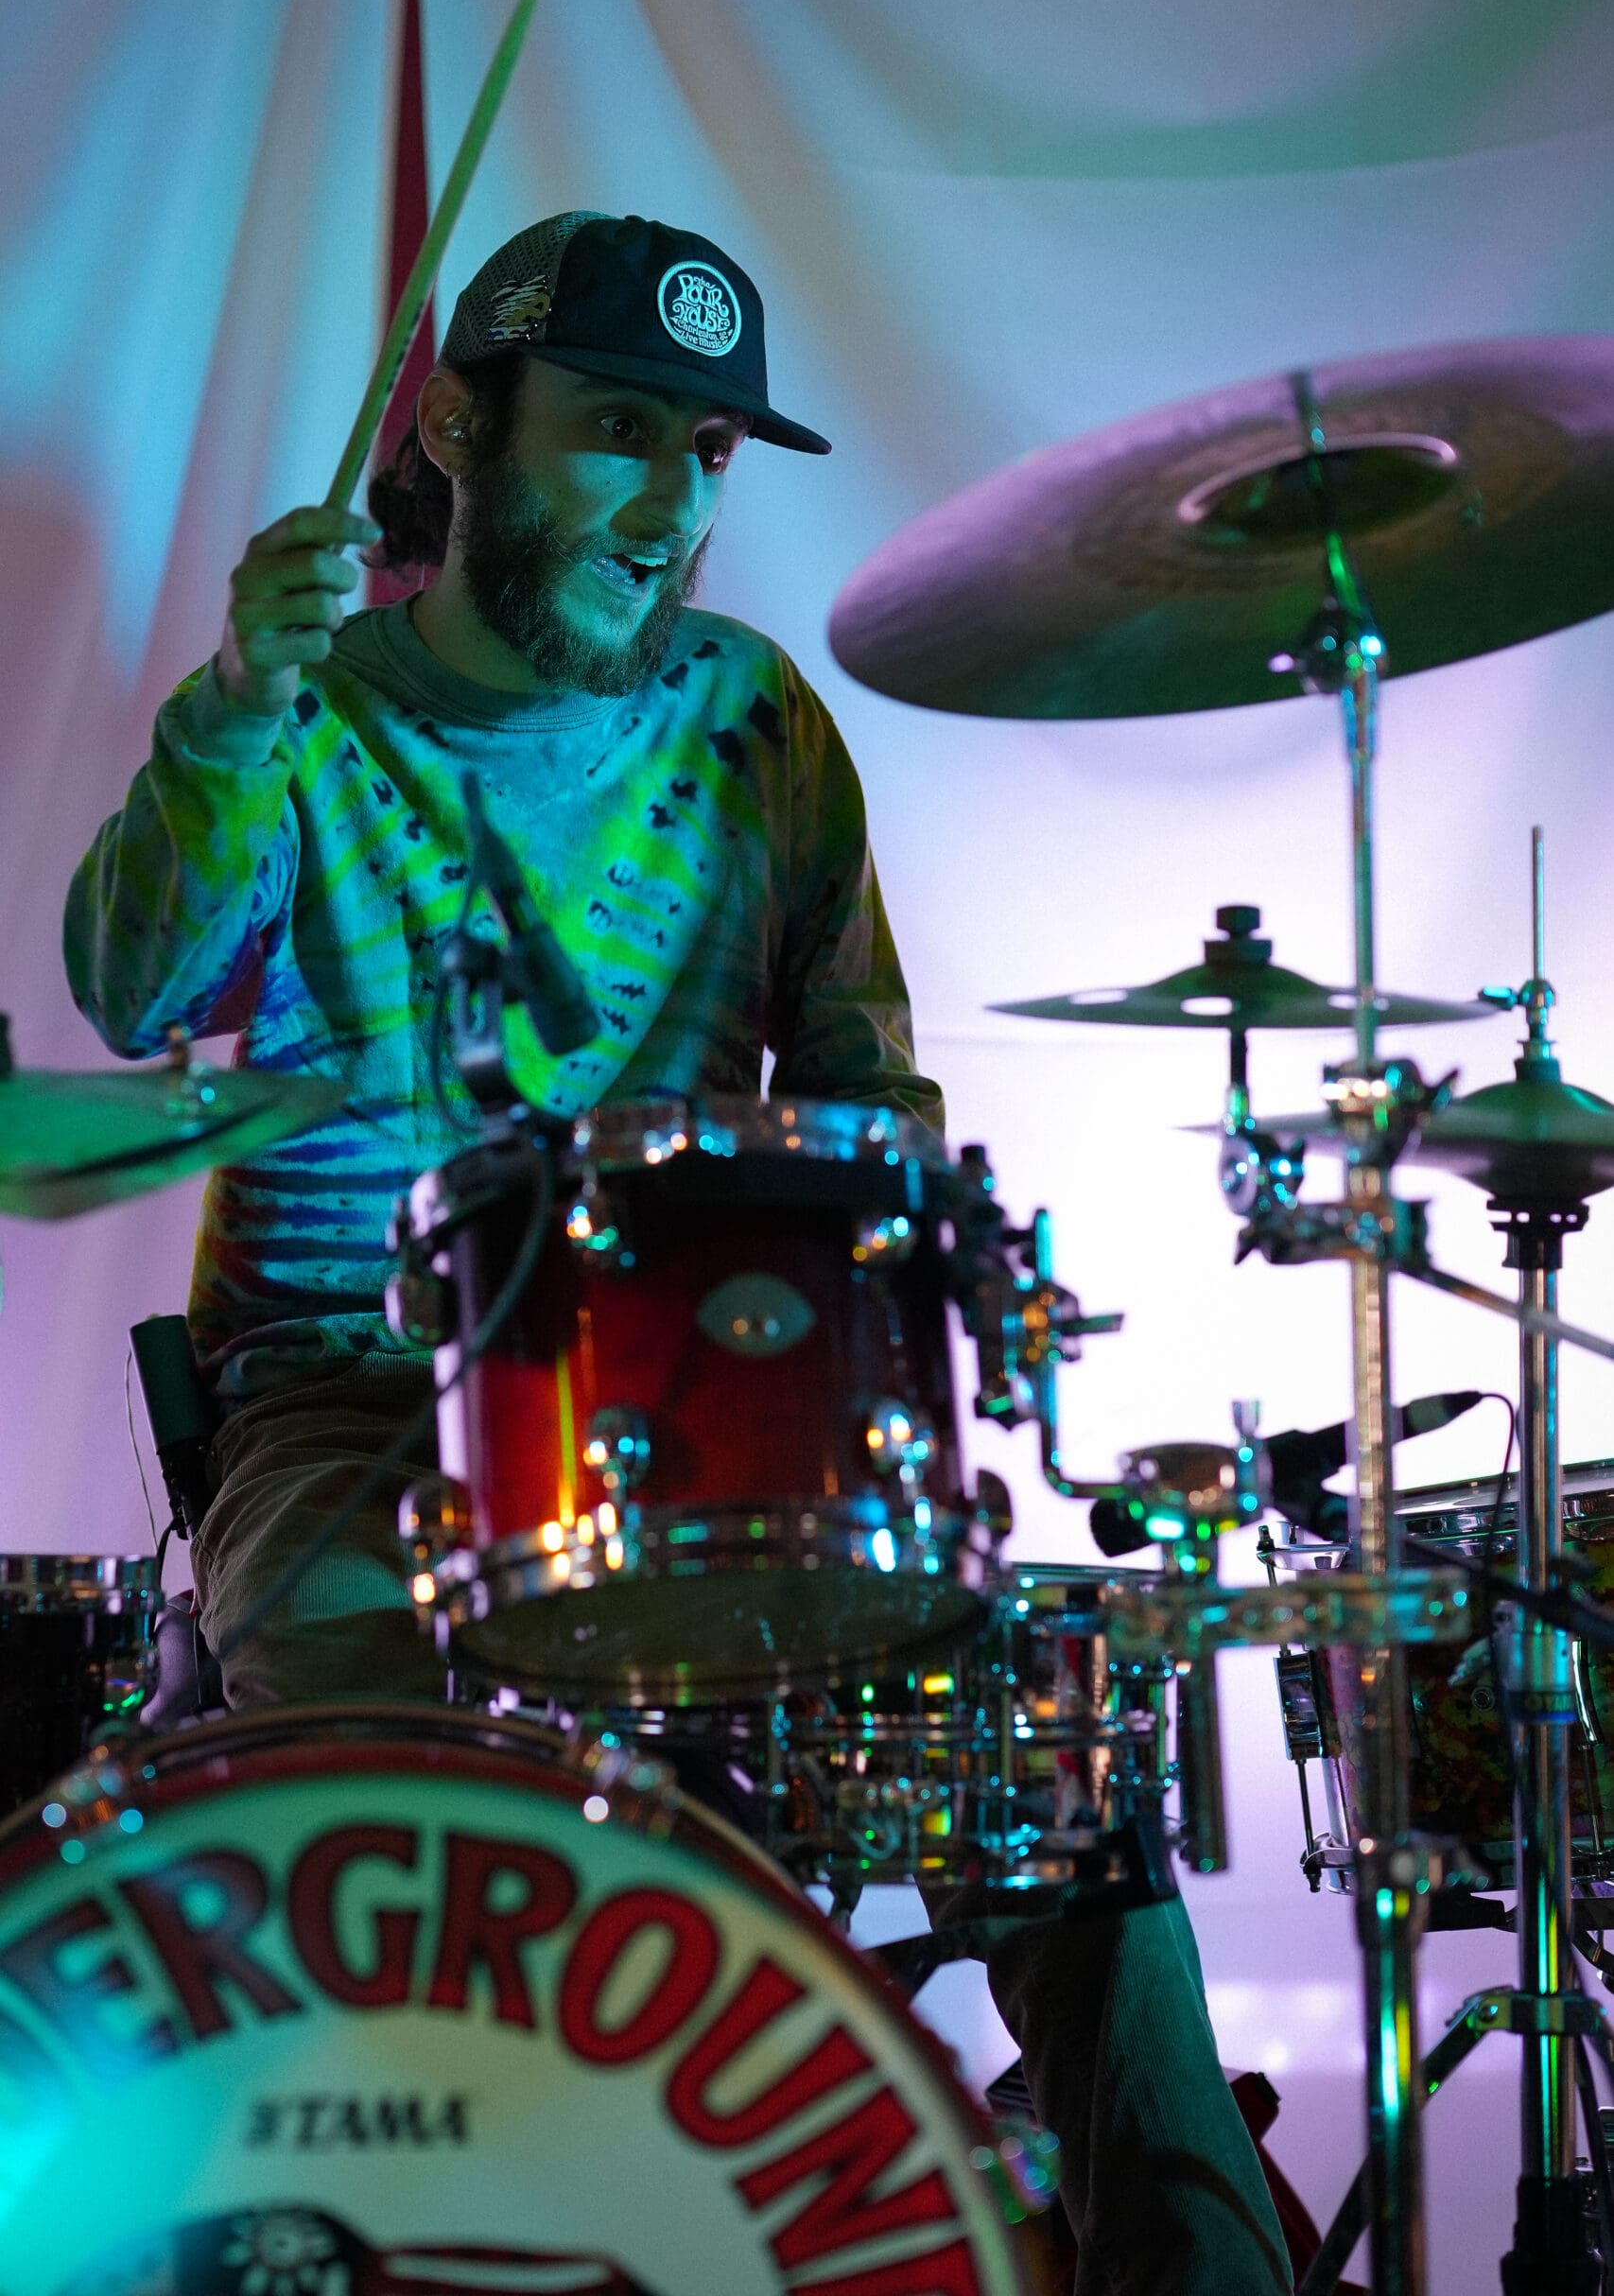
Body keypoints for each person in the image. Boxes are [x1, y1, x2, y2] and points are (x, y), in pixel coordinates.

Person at [65, 212, 1291, 2295]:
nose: (668, 501)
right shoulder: (303, 720)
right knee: (384, 1724)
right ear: (457, 424)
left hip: (707, 1423)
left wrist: (886, 1322)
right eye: (618, 432)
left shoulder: (754, 720)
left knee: (1050, 1745)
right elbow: (128, 983)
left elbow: (870, 1102)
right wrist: (230, 707)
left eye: (706, 453)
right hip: (353, 1398)